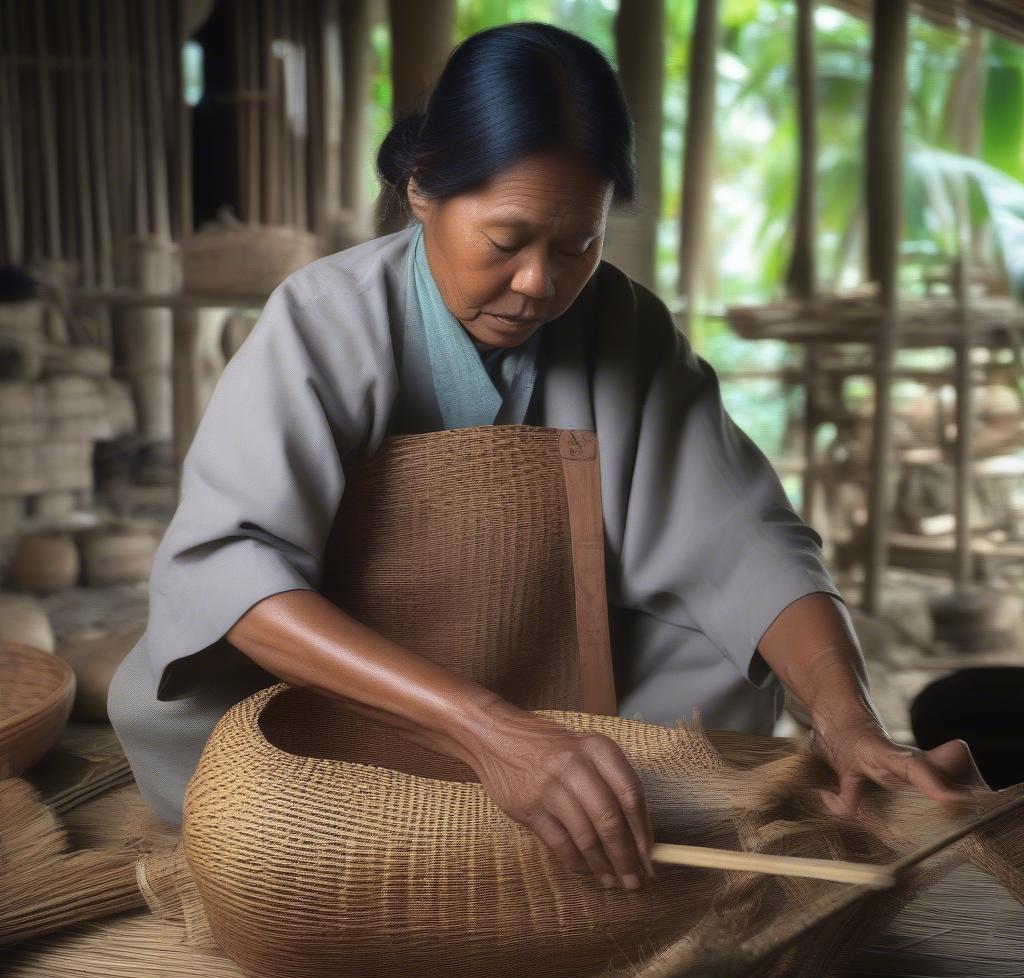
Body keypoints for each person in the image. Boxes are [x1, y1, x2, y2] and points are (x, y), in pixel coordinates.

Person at [107, 21, 988, 895]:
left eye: (577, 245)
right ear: (422, 190)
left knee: (721, 657)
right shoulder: (321, 319)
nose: (540, 283)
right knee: (230, 755)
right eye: (506, 240)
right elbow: (230, 574)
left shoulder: (623, 325)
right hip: (350, 705)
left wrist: (845, 718)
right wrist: (487, 728)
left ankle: (573, 789)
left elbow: (744, 539)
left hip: (557, 676)